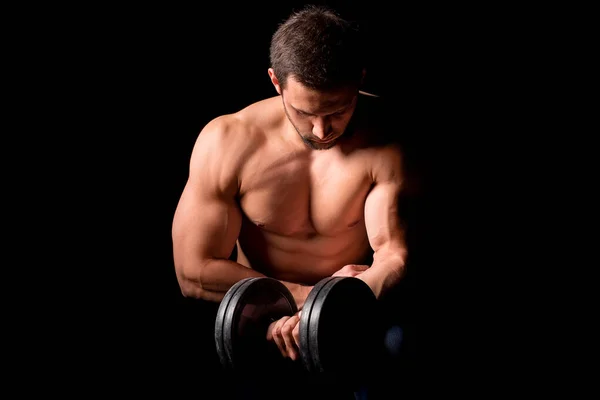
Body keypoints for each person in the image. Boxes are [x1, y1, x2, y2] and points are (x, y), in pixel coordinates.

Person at [171, 4, 411, 395]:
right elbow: (192, 271)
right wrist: (307, 301)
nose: (321, 130)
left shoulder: (389, 139)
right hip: (260, 318)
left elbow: (395, 255)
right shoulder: (228, 141)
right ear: (276, 82)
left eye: (338, 110)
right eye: (304, 112)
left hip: (355, 316)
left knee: (400, 346)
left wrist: (332, 313)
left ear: (359, 80)